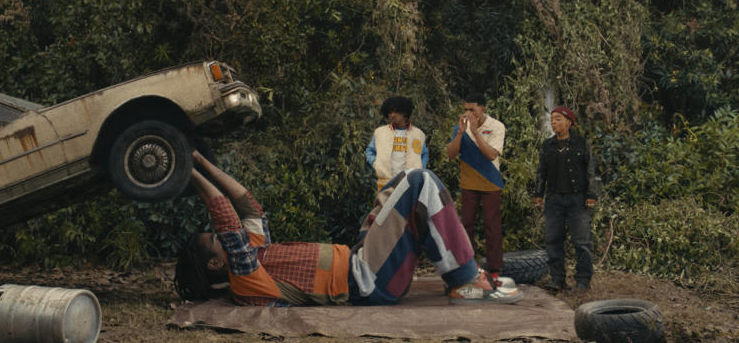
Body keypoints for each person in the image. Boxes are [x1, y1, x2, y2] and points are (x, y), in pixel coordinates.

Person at [174, 150, 522, 307]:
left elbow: (246, 206)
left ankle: (459, 270)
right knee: (420, 182)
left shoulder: (256, 250)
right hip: (365, 283)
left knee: (400, 181)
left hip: (360, 259)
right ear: (217, 264)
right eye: (216, 241)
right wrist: (185, 171)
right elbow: (227, 220)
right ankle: (464, 281)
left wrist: (200, 161)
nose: (224, 236)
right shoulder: (246, 281)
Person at [533, 106, 599, 292]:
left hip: (577, 199)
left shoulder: (580, 143)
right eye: (552, 119)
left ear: (569, 122)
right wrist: (538, 194)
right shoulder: (548, 145)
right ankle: (557, 279)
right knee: (553, 240)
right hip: (554, 199)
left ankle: (583, 281)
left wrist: (591, 195)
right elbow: (541, 172)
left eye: (558, 119)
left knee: (582, 241)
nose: (554, 122)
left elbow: (590, 170)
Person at [445, 92, 507, 281]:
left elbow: (491, 155)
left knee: (492, 226)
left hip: (491, 181)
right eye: (465, 109)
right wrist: (461, 133)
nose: (468, 113)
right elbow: (451, 154)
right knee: (466, 225)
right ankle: (468, 268)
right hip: (469, 181)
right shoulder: (460, 127)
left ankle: (495, 270)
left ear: (482, 108)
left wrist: (476, 132)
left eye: (472, 109)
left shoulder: (496, 126)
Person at [365, 96, 429, 191]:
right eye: (390, 112)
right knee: (385, 206)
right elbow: (369, 151)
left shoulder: (418, 134)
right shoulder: (380, 132)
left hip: (410, 184)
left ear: (405, 112)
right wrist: (376, 163)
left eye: (396, 111)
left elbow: (424, 154)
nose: (392, 115)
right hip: (385, 184)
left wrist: (420, 169)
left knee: (409, 206)